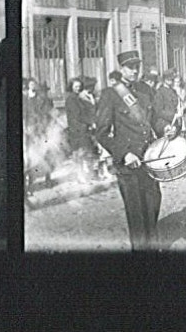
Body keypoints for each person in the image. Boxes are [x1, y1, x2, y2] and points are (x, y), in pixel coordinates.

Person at [95, 51, 161, 251]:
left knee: (153, 204)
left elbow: (154, 119)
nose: (134, 71)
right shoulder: (111, 94)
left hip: (148, 159)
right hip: (128, 163)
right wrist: (124, 153)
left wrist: (165, 128)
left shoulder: (145, 90)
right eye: (130, 67)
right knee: (136, 213)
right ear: (121, 69)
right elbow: (102, 133)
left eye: (137, 67)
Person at [64, 77, 97, 183]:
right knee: (79, 154)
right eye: (75, 87)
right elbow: (77, 115)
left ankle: (83, 175)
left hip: (82, 128)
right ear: (71, 87)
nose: (78, 88)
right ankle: (80, 176)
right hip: (77, 130)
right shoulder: (71, 99)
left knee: (84, 153)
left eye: (79, 86)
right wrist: (90, 122)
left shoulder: (79, 98)